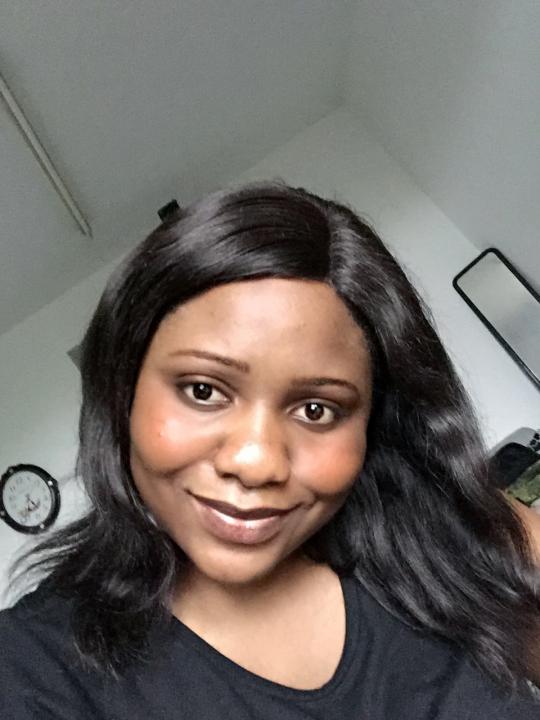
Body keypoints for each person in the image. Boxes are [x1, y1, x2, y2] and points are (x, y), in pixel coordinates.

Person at [1, 180, 539, 719]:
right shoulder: (34, 671)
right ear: (123, 394)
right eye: (203, 391)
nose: (257, 462)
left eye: (316, 410)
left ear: (371, 424)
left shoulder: (464, 541)